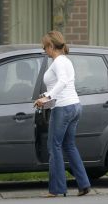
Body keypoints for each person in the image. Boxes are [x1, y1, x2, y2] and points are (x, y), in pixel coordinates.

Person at [34, 31, 91, 197]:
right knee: (69, 145)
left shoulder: (58, 61)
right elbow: (63, 83)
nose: (44, 50)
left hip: (63, 108)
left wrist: (47, 97)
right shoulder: (66, 61)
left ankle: (57, 189)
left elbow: (63, 82)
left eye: (44, 47)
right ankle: (83, 184)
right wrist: (48, 94)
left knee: (54, 147)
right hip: (74, 106)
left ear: (51, 46)